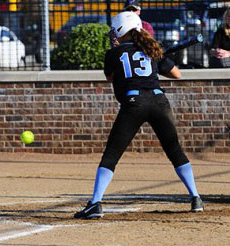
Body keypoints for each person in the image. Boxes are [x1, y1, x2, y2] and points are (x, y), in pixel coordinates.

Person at [74, 12, 203, 219]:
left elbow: (110, 78)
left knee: (112, 154)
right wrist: (157, 60)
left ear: (120, 30)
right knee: (174, 150)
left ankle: (95, 203)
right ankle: (196, 197)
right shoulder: (151, 50)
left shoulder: (113, 53)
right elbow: (177, 74)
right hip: (160, 102)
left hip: (134, 103)